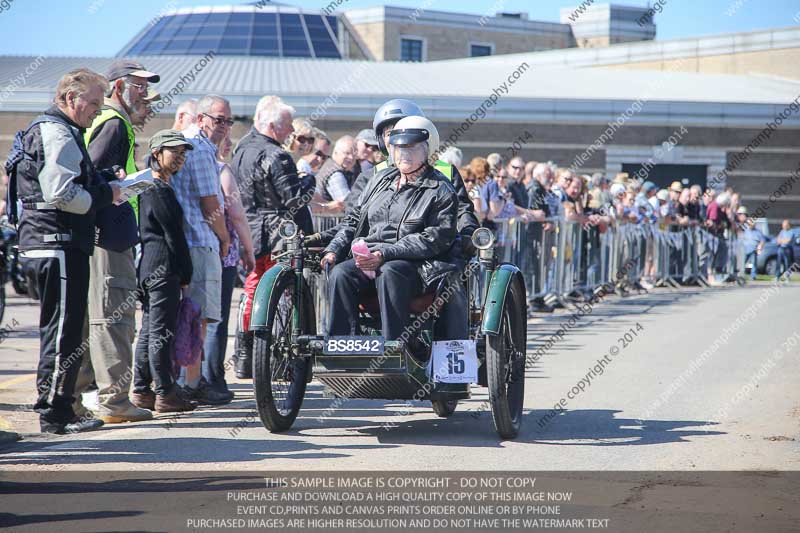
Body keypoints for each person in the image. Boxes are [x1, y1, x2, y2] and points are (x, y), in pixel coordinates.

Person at [12, 68, 121, 433]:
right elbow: (60, 192)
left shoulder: (54, 130)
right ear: (70, 99)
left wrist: (100, 184)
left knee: (65, 329)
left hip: (50, 243)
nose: (96, 110)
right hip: (56, 244)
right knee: (63, 332)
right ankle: (56, 413)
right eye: (92, 103)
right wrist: (105, 194)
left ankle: (62, 409)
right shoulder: (57, 132)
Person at [320, 116, 458, 343]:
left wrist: (385, 254)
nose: (403, 153)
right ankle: (342, 345)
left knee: (390, 271)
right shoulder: (379, 180)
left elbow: (434, 238)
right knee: (341, 273)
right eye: (397, 147)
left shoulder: (441, 189)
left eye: (411, 147)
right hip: (369, 258)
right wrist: (334, 249)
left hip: (418, 266)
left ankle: (394, 345)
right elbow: (353, 220)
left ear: (428, 150)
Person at [74, 59, 159, 425]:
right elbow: (89, 176)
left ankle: (85, 398)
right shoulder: (114, 123)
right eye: (138, 85)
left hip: (106, 235)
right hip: (109, 237)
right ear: (118, 87)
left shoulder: (109, 122)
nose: (145, 93)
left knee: (101, 317)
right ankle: (113, 400)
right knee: (113, 318)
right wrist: (121, 182)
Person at [233, 95, 315, 379]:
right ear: (272, 125)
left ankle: (245, 355)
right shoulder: (277, 155)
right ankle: (283, 359)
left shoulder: (241, 148)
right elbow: (294, 200)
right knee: (287, 293)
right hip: (276, 234)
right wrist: (308, 180)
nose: (290, 132)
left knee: (252, 289)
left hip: (248, 230)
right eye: (287, 126)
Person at [170, 94, 233, 404]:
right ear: (200, 118)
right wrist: (224, 238)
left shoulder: (187, 144)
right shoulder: (200, 148)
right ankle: (191, 382)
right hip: (200, 240)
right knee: (198, 318)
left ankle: (186, 380)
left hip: (188, 242)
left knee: (191, 316)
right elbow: (211, 203)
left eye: (228, 121)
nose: (223, 126)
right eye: (218, 119)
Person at [131, 130, 196, 413]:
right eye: (174, 152)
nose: (180, 158)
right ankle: (166, 392)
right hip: (162, 269)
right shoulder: (157, 188)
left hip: (152, 268)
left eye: (183, 153)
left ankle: (142, 390)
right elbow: (174, 237)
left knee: (150, 331)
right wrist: (186, 273)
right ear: (156, 153)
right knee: (160, 332)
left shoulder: (154, 187)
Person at [201, 133, 255, 396]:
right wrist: (248, 248)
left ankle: (190, 379)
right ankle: (213, 381)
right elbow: (237, 215)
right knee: (216, 319)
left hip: (196, 250)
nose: (229, 141)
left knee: (195, 317)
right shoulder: (222, 170)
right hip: (223, 252)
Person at [314, 135, 356, 212]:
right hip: (328, 222)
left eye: (354, 154)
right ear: (336, 152)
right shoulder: (335, 174)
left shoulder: (333, 166)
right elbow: (348, 203)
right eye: (347, 153)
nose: (351, 157)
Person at [736, 207, 764, 281]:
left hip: (753, 250)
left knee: (754, 264)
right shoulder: (745, 230)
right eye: (750, 223)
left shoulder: (758, 232)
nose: (752, 224)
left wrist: (760, 247)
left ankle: (753, 276)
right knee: (743, 262)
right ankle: (740, 274)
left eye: (753, 223)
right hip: (745, 249)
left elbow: (762, 240)